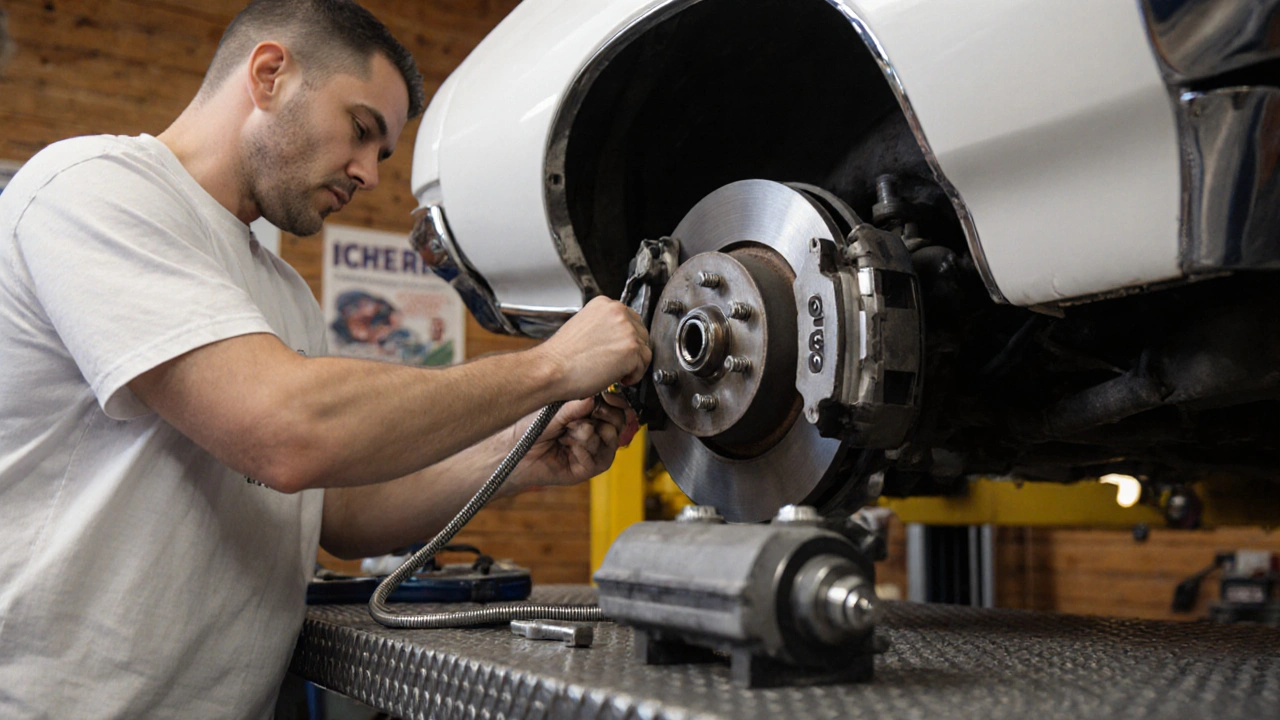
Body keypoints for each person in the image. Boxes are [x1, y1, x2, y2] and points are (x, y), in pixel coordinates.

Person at [0, 1, 651, 717]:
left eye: (382, 153)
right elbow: (287, 432)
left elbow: (335, 509)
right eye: (363, 130)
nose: (370, 174)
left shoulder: (281, 294)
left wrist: (520, 453)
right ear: (271, 74)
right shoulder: (92, 188)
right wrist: (552, 368)